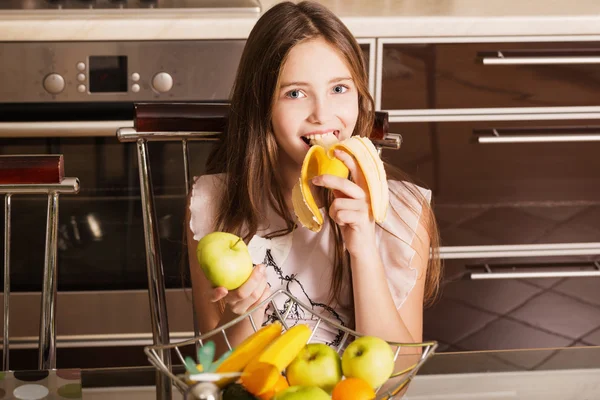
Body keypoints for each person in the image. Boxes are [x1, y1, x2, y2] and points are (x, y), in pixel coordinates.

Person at [186, 1, 441, 353]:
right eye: (295, 93)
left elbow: (396, 381)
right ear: (262, 106)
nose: (323, 115)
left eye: (339, 89)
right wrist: (241, 313)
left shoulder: (404, 213)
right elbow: (213, 371)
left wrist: (364, 248)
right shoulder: (216, 206)